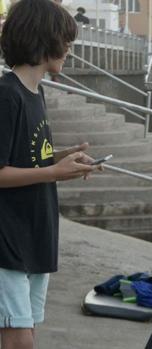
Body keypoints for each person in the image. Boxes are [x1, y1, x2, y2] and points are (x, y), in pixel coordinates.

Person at [0, 0, 98, 348]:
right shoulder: (7, 94)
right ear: (43, 40)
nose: (69, 50)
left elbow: (24, 156)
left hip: (35, 234)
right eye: (66, 42)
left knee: (24, 332)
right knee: (18, 340)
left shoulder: (36, 93)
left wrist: (64, 158)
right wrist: (54, 171)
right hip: (7, 238)